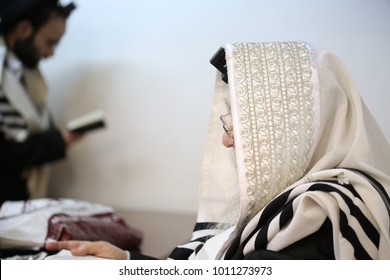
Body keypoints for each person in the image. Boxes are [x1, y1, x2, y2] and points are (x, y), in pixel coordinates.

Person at [46, 41, 390, 259]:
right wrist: (126, 262)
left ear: (293, 129)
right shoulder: (325, 197)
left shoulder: (321, 213)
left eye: (242, 126)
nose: (227, 141)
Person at [0, 0, 81, 205]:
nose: (51, 53)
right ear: (24, 28)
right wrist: (57, 142)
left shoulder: (29, 76)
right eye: (50, 42)